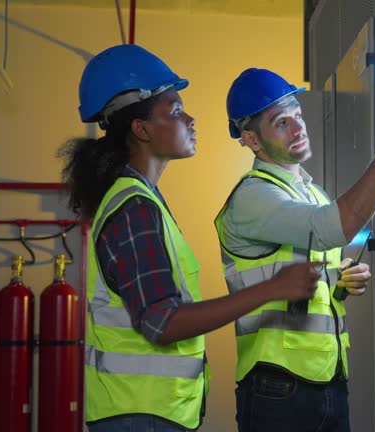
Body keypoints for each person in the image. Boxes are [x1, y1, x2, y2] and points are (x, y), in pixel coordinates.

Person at [59, 45, 323, 432]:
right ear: (142, 128)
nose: (192, 120)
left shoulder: (142, 200)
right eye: (176, 110)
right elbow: (163, 323)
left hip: (148, 413)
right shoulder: (134, 208)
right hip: (141, 417)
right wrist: (272, 289)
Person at [216, 68, 375, 431]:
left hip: (328, 378)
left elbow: (310, 274)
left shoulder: (311, 193)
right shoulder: (253, 196)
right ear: (252, 140)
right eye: (281, 122)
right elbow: (337, 224)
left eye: (298, 115)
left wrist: (340, 280)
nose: (298, 127)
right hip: (278, 386)